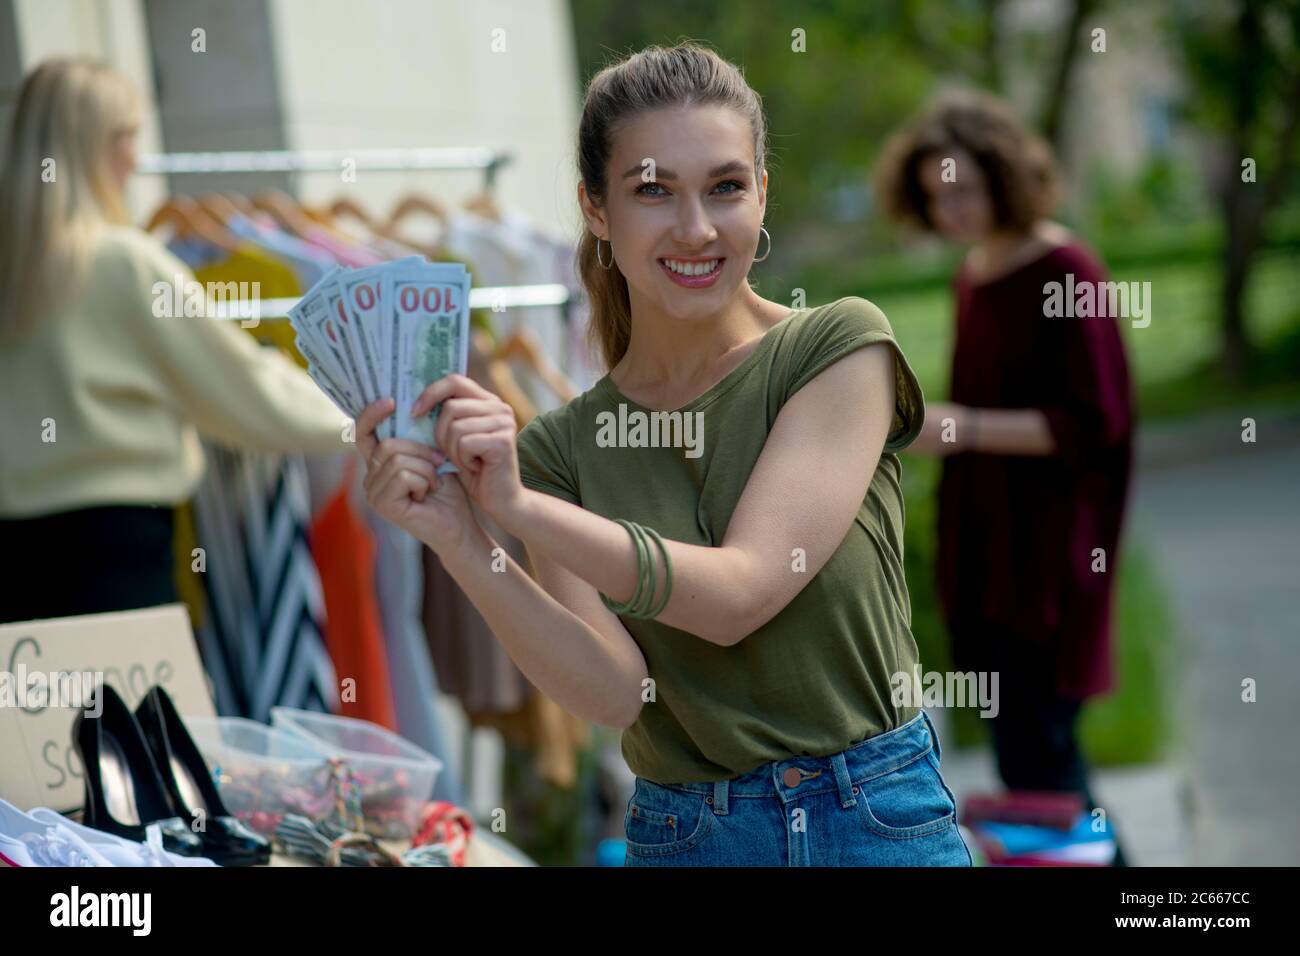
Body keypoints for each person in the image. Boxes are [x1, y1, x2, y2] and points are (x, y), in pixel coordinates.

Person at [355, 43, 971, 866]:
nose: (696, 228)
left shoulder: (838, 350)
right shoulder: (558, 450)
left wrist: (524, 513)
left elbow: (741, 593)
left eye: (725, 187)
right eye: (653, 191)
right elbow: (611, 692)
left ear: (762, 194)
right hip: (689, 838)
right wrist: (467, 544)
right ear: (597, 210)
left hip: (876, 818)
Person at [875, 90, 1135, 864]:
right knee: (1031, 766)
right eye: (934, 197)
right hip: (986, 554)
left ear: (1004, 175)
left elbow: (1094, 424)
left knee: (1048, 760)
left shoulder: (1066, 268)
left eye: (962, 191)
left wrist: (960, 427)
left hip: (1050, 562)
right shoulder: (974, 274)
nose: (949, 211)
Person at [0, 59, 348, 624]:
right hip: (117, 556)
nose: (137, 159)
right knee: (136, 714)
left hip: (17, 567)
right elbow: (244, 388)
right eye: (128, 135)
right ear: (99, 145)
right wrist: (361, 412)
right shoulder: (124, 262)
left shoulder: (17, 267)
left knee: (36, 712)